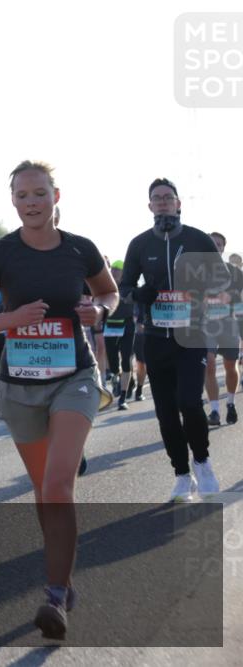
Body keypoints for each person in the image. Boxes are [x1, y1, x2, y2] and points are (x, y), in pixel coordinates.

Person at [0, 160, 118, 640]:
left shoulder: (80, 249)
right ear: (13, 201)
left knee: (57, 485)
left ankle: (53, 595)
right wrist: (14, 319)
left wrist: (97, 311)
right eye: (23, 195)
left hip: (75, 376)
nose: (32, 202)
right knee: (43, 491)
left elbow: (110, 294)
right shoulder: (1, 253)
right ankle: (64, 581)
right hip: (20, 384)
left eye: (40, 194)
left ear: (56, 196)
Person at [119, 178, 225, 502]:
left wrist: (199, 289)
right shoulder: (139, 244)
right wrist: (139, 294)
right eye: (157, 198)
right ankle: (182, 474)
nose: (163, 202)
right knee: (165, 412)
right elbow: (123, 290)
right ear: (150, 206)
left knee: (190, 403)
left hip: (192, 335)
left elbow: (222, 280)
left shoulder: (199, 239)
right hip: (155, 337)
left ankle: (203, 462)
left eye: (168, 197)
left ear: (178, 203)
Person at [203, 231, 241, 426]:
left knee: (230, 366)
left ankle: (231, 403)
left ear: (223, 248)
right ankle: (215, 411)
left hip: (228, 323)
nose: (215, 247)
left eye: (218, 244)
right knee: (208, 364)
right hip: (206, 324)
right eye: (211, 243)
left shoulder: (234, 271)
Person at [103, 260, 136, 410]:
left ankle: (123, 397)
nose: (115, 272)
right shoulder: (106, 286)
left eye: (119, 270)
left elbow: (140, 300)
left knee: (126, 360)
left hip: (127, 324)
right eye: (114, 269)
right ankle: (117, 376)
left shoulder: (129, 286)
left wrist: (141, 320)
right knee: (113, 361)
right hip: (110, 325)